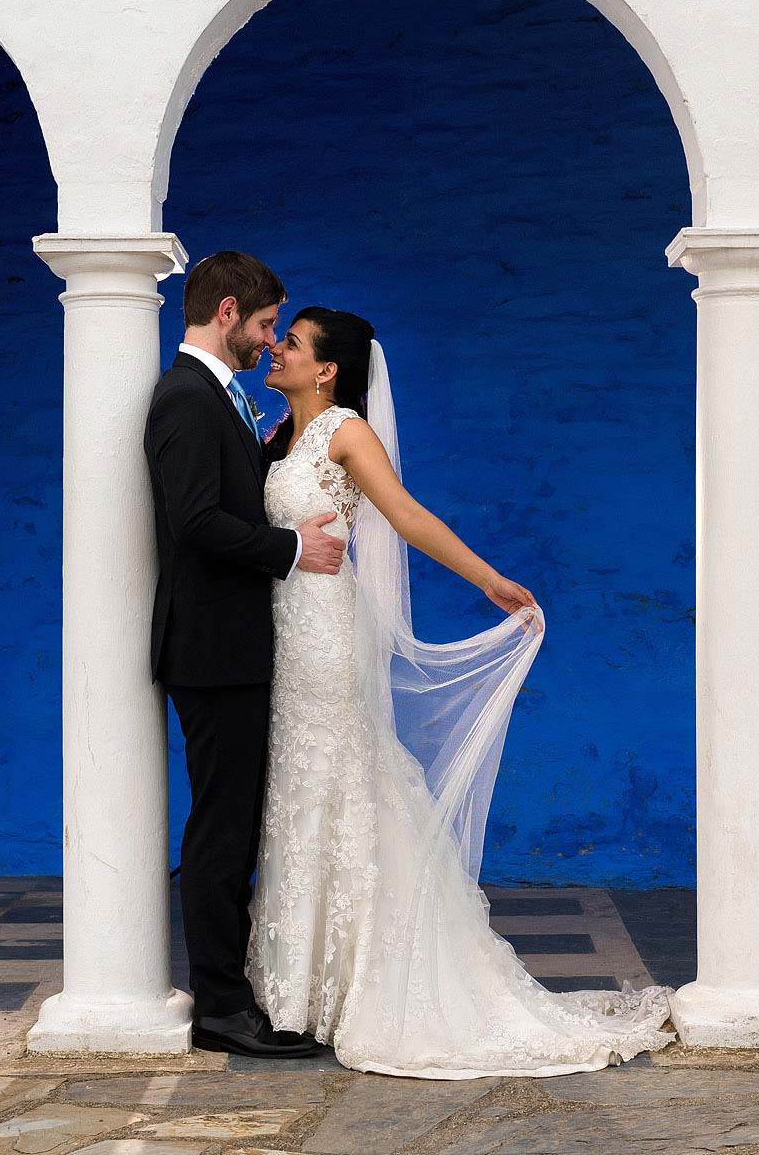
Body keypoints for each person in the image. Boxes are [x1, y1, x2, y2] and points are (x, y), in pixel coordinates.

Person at [246, 305, 674, 1077]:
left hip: (325, 635)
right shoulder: (275, 433)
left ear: (328, 368)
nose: (275, 348)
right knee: (298, 789)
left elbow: (406, 515)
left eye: (292, 342)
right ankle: (302, 986)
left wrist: (492, 582)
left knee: (338, 780)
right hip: (284, 631)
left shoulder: (345, 431)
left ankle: (362, 983)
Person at [141, 251, 344, 1058]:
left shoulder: (215, 400)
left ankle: (234, 992)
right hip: (212, 651)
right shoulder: (186, 398)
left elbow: (223, 492)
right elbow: (194, 522)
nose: (268, 343)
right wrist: (291, 547)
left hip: (232, 649)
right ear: (226, 312)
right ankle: (221, 1007)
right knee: (221, 832)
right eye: (264, 326)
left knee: (235, 824)